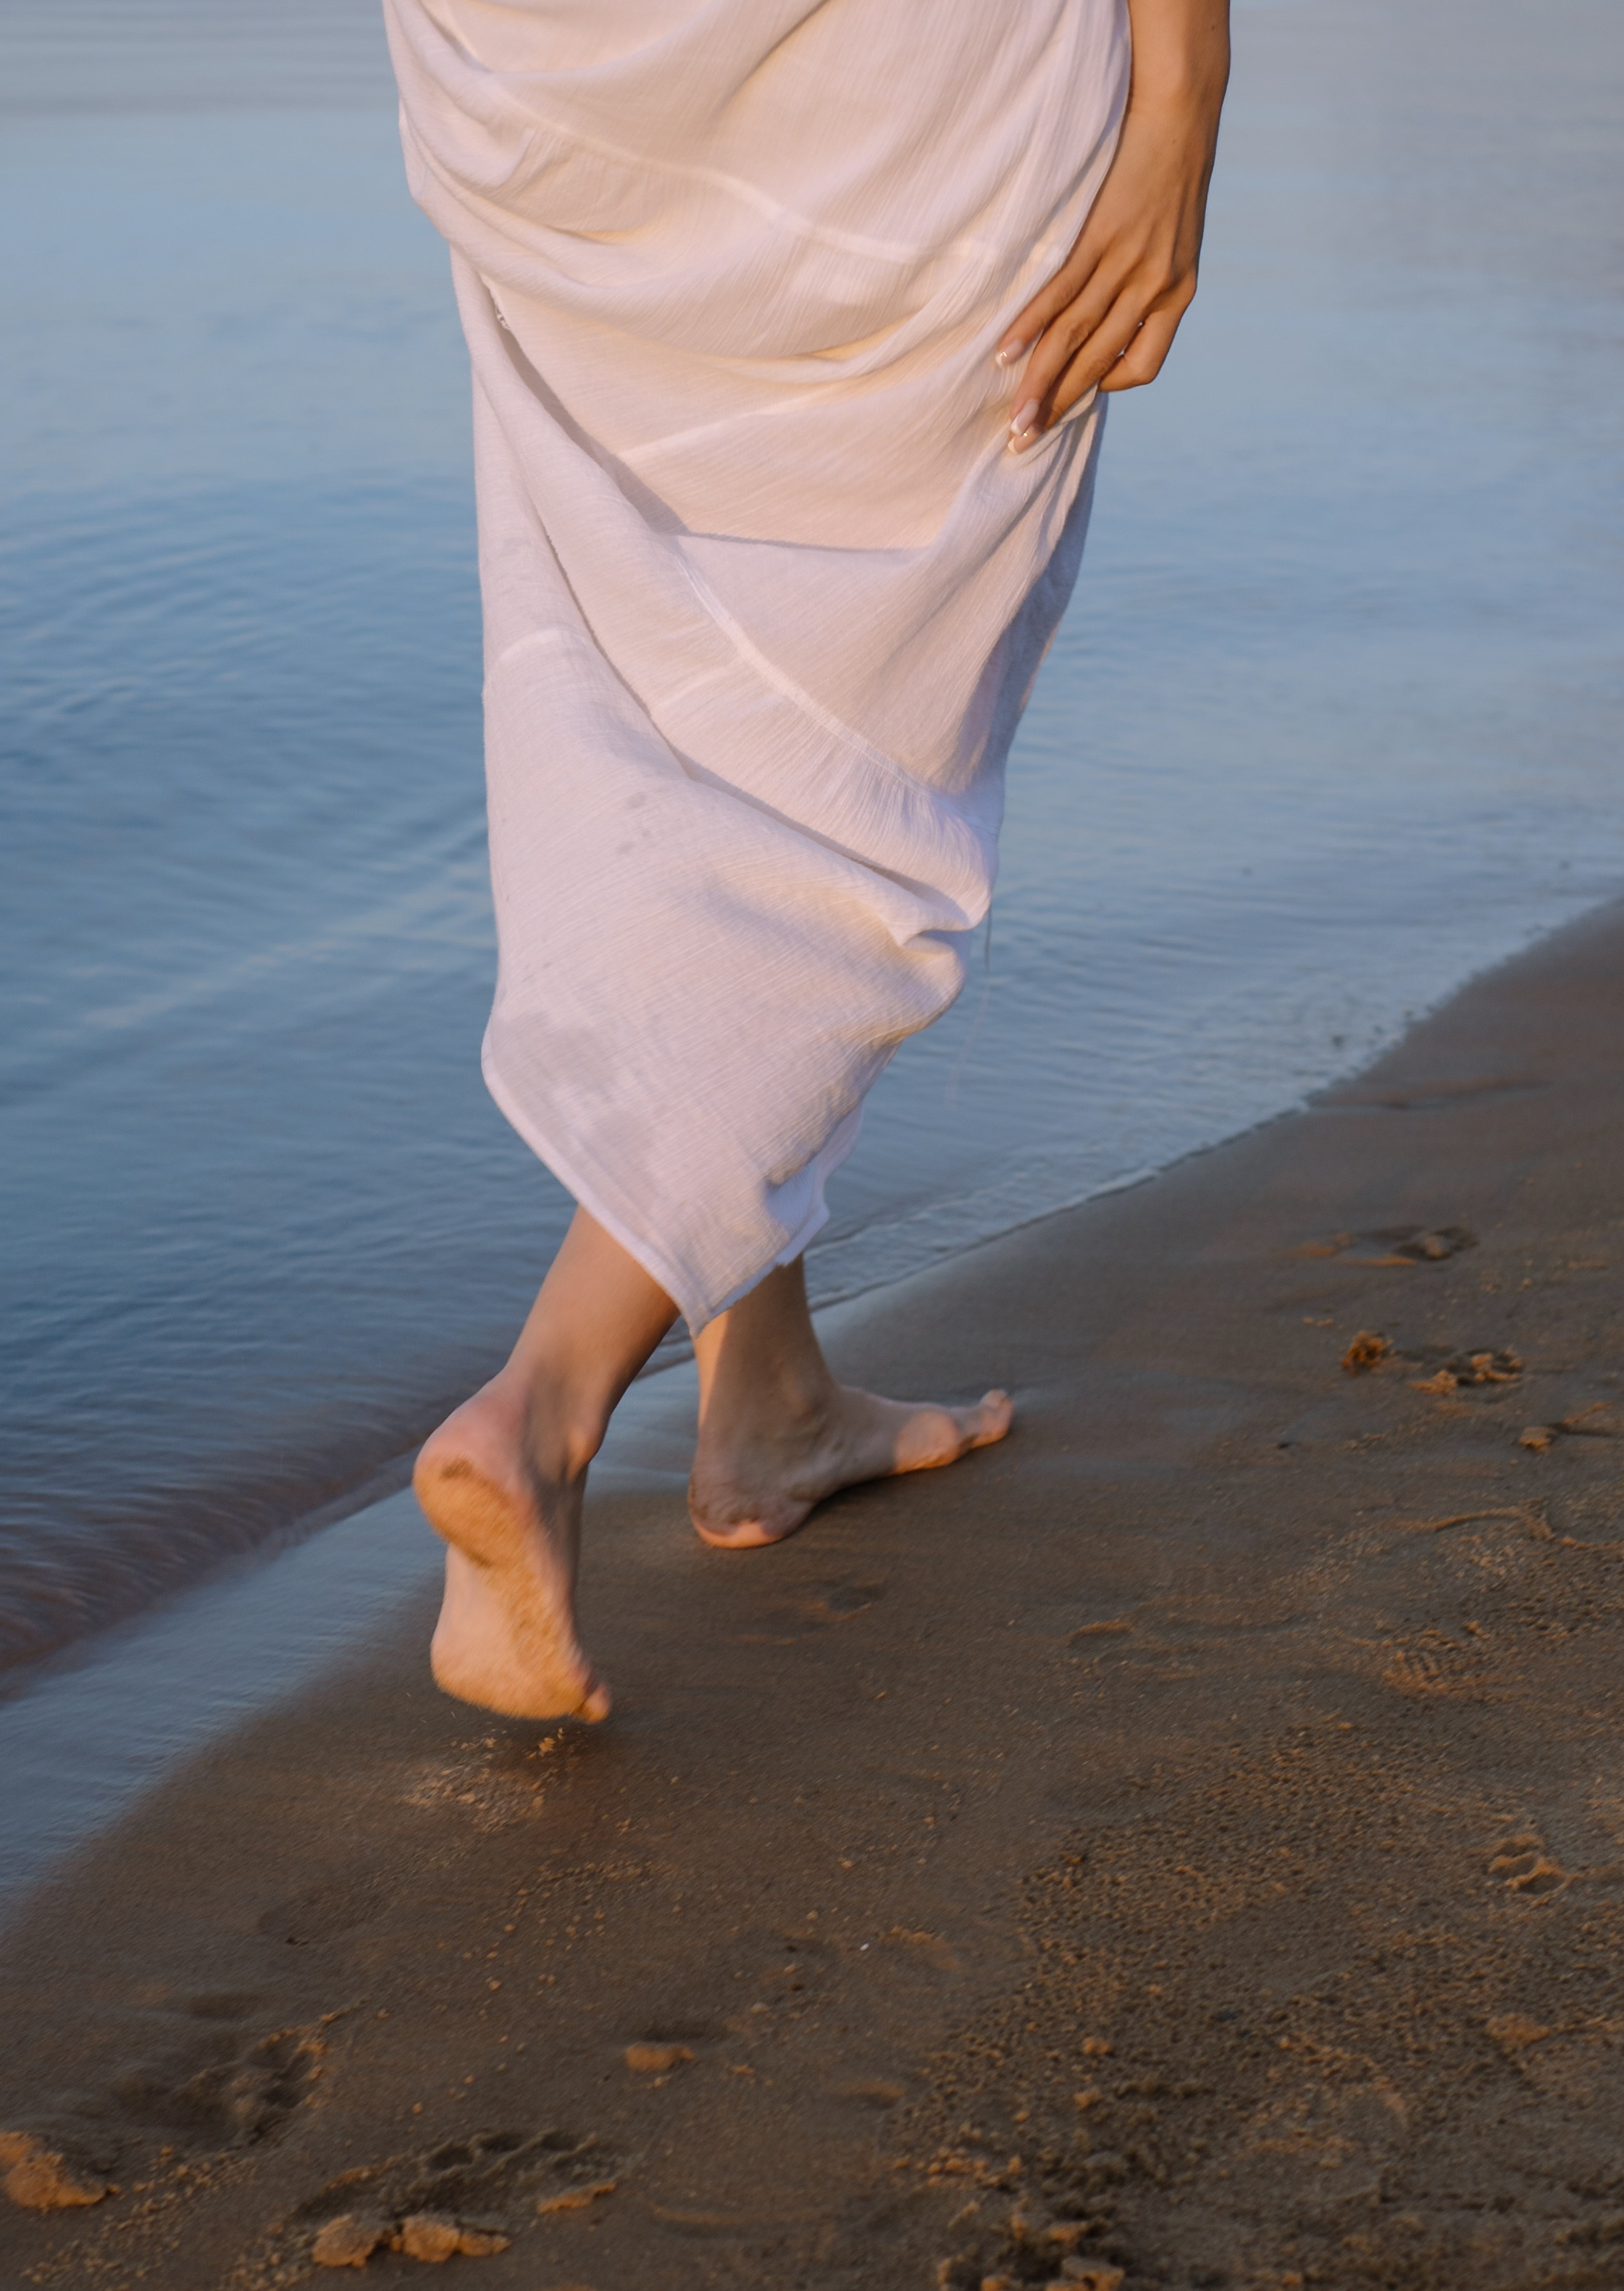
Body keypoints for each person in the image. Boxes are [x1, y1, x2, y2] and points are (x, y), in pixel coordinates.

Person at [384, 0, 1229, 1720]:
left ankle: (765, 1394)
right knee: (860, 770)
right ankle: (539, 1411)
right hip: (902, 92)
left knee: (657, 672)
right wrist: (1179, 109)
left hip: (553, 79)